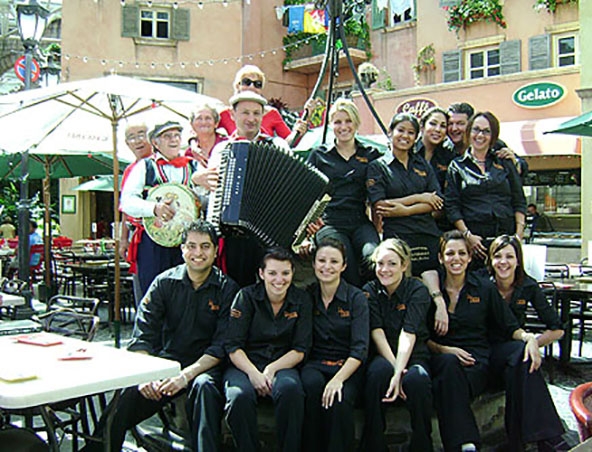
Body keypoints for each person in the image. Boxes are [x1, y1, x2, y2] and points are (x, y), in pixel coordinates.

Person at [82, 220, 239, 452]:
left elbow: (221, 345)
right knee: (124, 397)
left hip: (204, 368)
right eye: (192, 246)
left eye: (205, 246)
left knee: (205, 389)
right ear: (182, 249)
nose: (198, 253)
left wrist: (185, 376)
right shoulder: (163, 283)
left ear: (216, 251)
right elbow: (143, 335)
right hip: (165, 365)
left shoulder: (228, 289)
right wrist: (147, 376)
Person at [427, 230, 540, 452]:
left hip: (478, 363)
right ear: (441, 258)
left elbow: (510, 326)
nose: (456, 258)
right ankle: (465, 444)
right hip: (442, 360)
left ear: (470, 257)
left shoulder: (484, 288)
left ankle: (529, 437)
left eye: (462, 253)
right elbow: (421, 336)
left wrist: (529, 339)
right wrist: (444, 349)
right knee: (449, 368)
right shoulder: (430, 290)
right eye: (450, 253)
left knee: (520, 352)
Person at [223, 247, 312, 452]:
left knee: (291, 390)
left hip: (283, 363)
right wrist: (253, 373)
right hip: (245, 364)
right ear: (261, 273)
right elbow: (233, 346)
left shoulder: (301, 300)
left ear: (293, 273)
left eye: (285, 273)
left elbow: (300, 349)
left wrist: (271, 369)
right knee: (238, 397)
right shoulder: (245, 297)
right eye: (272, 273)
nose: (279, 279)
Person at [484, 235, 568, 451]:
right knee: (521, 359)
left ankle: (518, 442)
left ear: (518, 260)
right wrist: (527, 342)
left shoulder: (528, 286)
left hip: (516, 352)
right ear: (490, 260)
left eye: (509, 257)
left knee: (520, 366)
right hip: (486, 350)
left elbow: (557, 328)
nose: (503, 262)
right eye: (498, 256)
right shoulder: (482, 284)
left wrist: (534, 343)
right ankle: (549, 438)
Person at [207, 91, 290, 287]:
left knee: (272, 289)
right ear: (233, 115)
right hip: (235, 236)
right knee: (237, 289)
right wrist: (200, 179)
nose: (251, 119)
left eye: (256, 113)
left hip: (271, 232)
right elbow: (210, 193)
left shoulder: (277, 145)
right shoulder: (222, 149)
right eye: (245, 113)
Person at [361, 238, 433, 451]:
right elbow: (377, 332)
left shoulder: (417, 290)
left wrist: (400, 371)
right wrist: (395, 370)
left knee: (418, 379)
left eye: (392, 264)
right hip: (384, 354)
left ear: (404, 265)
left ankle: (422, 443)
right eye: (380, 263)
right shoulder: (369, 291)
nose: (385, 269)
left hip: (414, 354)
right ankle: (373, 443)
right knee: (376, 374)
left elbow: (409, 332)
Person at [301, 237, 369, 452]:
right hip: (315, 363)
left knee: (339, 399)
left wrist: (338, 379)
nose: (327, 266)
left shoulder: (356, 298)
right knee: (310, 388)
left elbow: (360, 348)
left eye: (334, 261)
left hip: (347, 366)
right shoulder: (306, 296)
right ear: (313, 264)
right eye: (321, 260)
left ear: (344, 266)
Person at [120, 121, 201, 295]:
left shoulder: (194, 167)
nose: (173, 140)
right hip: (153, 243)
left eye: (177, 136)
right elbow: (126, 201)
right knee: (153, 293)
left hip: (187, 243)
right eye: (167, 136)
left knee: (186, 294)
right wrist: (154, 208)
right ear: (155, 143)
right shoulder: (145, 167)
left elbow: (206, 199)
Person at [306, 98, 381, 287]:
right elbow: (304, 193)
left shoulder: (370, 153)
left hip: (359, 221)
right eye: (338, 122)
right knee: (345, 263)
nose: (343, 126)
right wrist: (307, 229)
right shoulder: (319, 155)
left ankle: (371, 304)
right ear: (331, 125)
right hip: (330, 222)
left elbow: (379, 191)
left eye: (348, 121)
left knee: (374, 259)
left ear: (356, 123)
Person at [445, 111, 526, 266]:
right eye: (476, 129)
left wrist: (518, 236)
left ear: (493, 136)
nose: (480, 135)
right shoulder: (457, 166)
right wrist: (468, 236)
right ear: (469, 132)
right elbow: (452, 206)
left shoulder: (505, 162)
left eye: (486, 131)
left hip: (505, 240)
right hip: (475, 243)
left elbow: (519, 200)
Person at [367, 112, 443, 278]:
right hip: (398, 236)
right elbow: (381, 205)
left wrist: (405, 210)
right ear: (390, 132)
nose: (405, 136)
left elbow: (436, 202)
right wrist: (420, 197)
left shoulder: (422, 164)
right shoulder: (377, 167)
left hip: (427, 234)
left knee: (432, 285)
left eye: (411, 133)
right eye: (401, 130)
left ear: (416, 137)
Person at [218, 65, 309, 146]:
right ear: (237, 85)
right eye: (247, 82)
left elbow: (288, 143)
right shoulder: (224, 114)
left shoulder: (272, 113)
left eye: (258, 84)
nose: (252, 87)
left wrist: (297, 132)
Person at [119, 123, 154, 305]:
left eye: (142, 134)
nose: (138, 140)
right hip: (137, 234)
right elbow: (125, 209)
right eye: (132, 137)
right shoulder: (129, 171)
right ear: (127, 143)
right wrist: (123, 239)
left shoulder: (157, 164)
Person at [447, 102, 528, 179]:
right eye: (450, 124)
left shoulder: (492, 144)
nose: (454, 128)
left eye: (460, 123)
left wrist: (515, 163)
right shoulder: (443, 149)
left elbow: (522, 167)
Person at [414, 106, 455, 191]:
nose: (438, 129)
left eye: (443, 126)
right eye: (433, 123)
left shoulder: (448, 157)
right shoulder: (408, 152)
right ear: (422, 126)